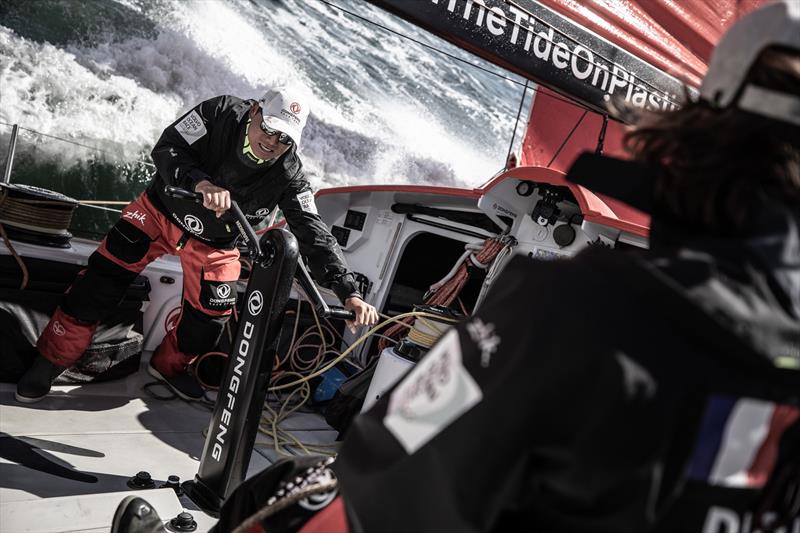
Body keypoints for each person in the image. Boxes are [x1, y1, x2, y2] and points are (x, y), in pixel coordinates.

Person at [107, 2, 800, 532]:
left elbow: (381, 481)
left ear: (699, 139)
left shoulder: (574, 311)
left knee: (293, 484)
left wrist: (349, 292)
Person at [15, 84, 378, 402]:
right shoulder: (218, 111)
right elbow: (168, 147)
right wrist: (200, 183)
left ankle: (167, 367)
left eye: (285, 139)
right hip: (159, 212)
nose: (272, 142)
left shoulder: (290, 175)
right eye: (269, 128)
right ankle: (51, 360)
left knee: (209, 320)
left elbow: (312, 230)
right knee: (100, 283)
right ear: (255, 111)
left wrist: (349, 291)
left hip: (217, 244)